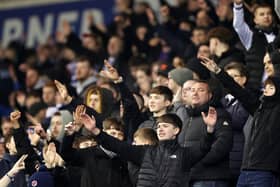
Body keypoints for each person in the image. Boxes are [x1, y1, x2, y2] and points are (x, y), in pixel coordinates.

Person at [79, 108, 217, 187]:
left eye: (165, 126)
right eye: (158, 126)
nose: (160, 129)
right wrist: (95, 130)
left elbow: (204, 147)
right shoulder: (145, 152)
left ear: (176, 130)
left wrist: (210, 128)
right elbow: (118, 146)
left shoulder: (184, 154)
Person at [200, 55, 280, 187]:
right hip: (246, 169)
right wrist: (218, 72)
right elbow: (237, 90)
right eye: (265, 87)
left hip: (267, 171)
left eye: (271, 88)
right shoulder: (258, 107)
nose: (266, 90)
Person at [178, 79, 233, 187]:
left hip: (210, 178)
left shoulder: (218, 114)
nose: (195, 93)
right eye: (192, 90)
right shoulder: (186, 119)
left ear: (210, 95)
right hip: (189, 177)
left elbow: (223, 144)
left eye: (201, 90)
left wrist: (198, 160)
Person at [233, 0, 277, 92]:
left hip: (277, 87)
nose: (266, 16)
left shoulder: (278, 35)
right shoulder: (250, 36)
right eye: (262, 14)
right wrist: (238, 6)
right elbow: (238, 25)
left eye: (269, 13)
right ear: (255, 19)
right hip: (256, 89)